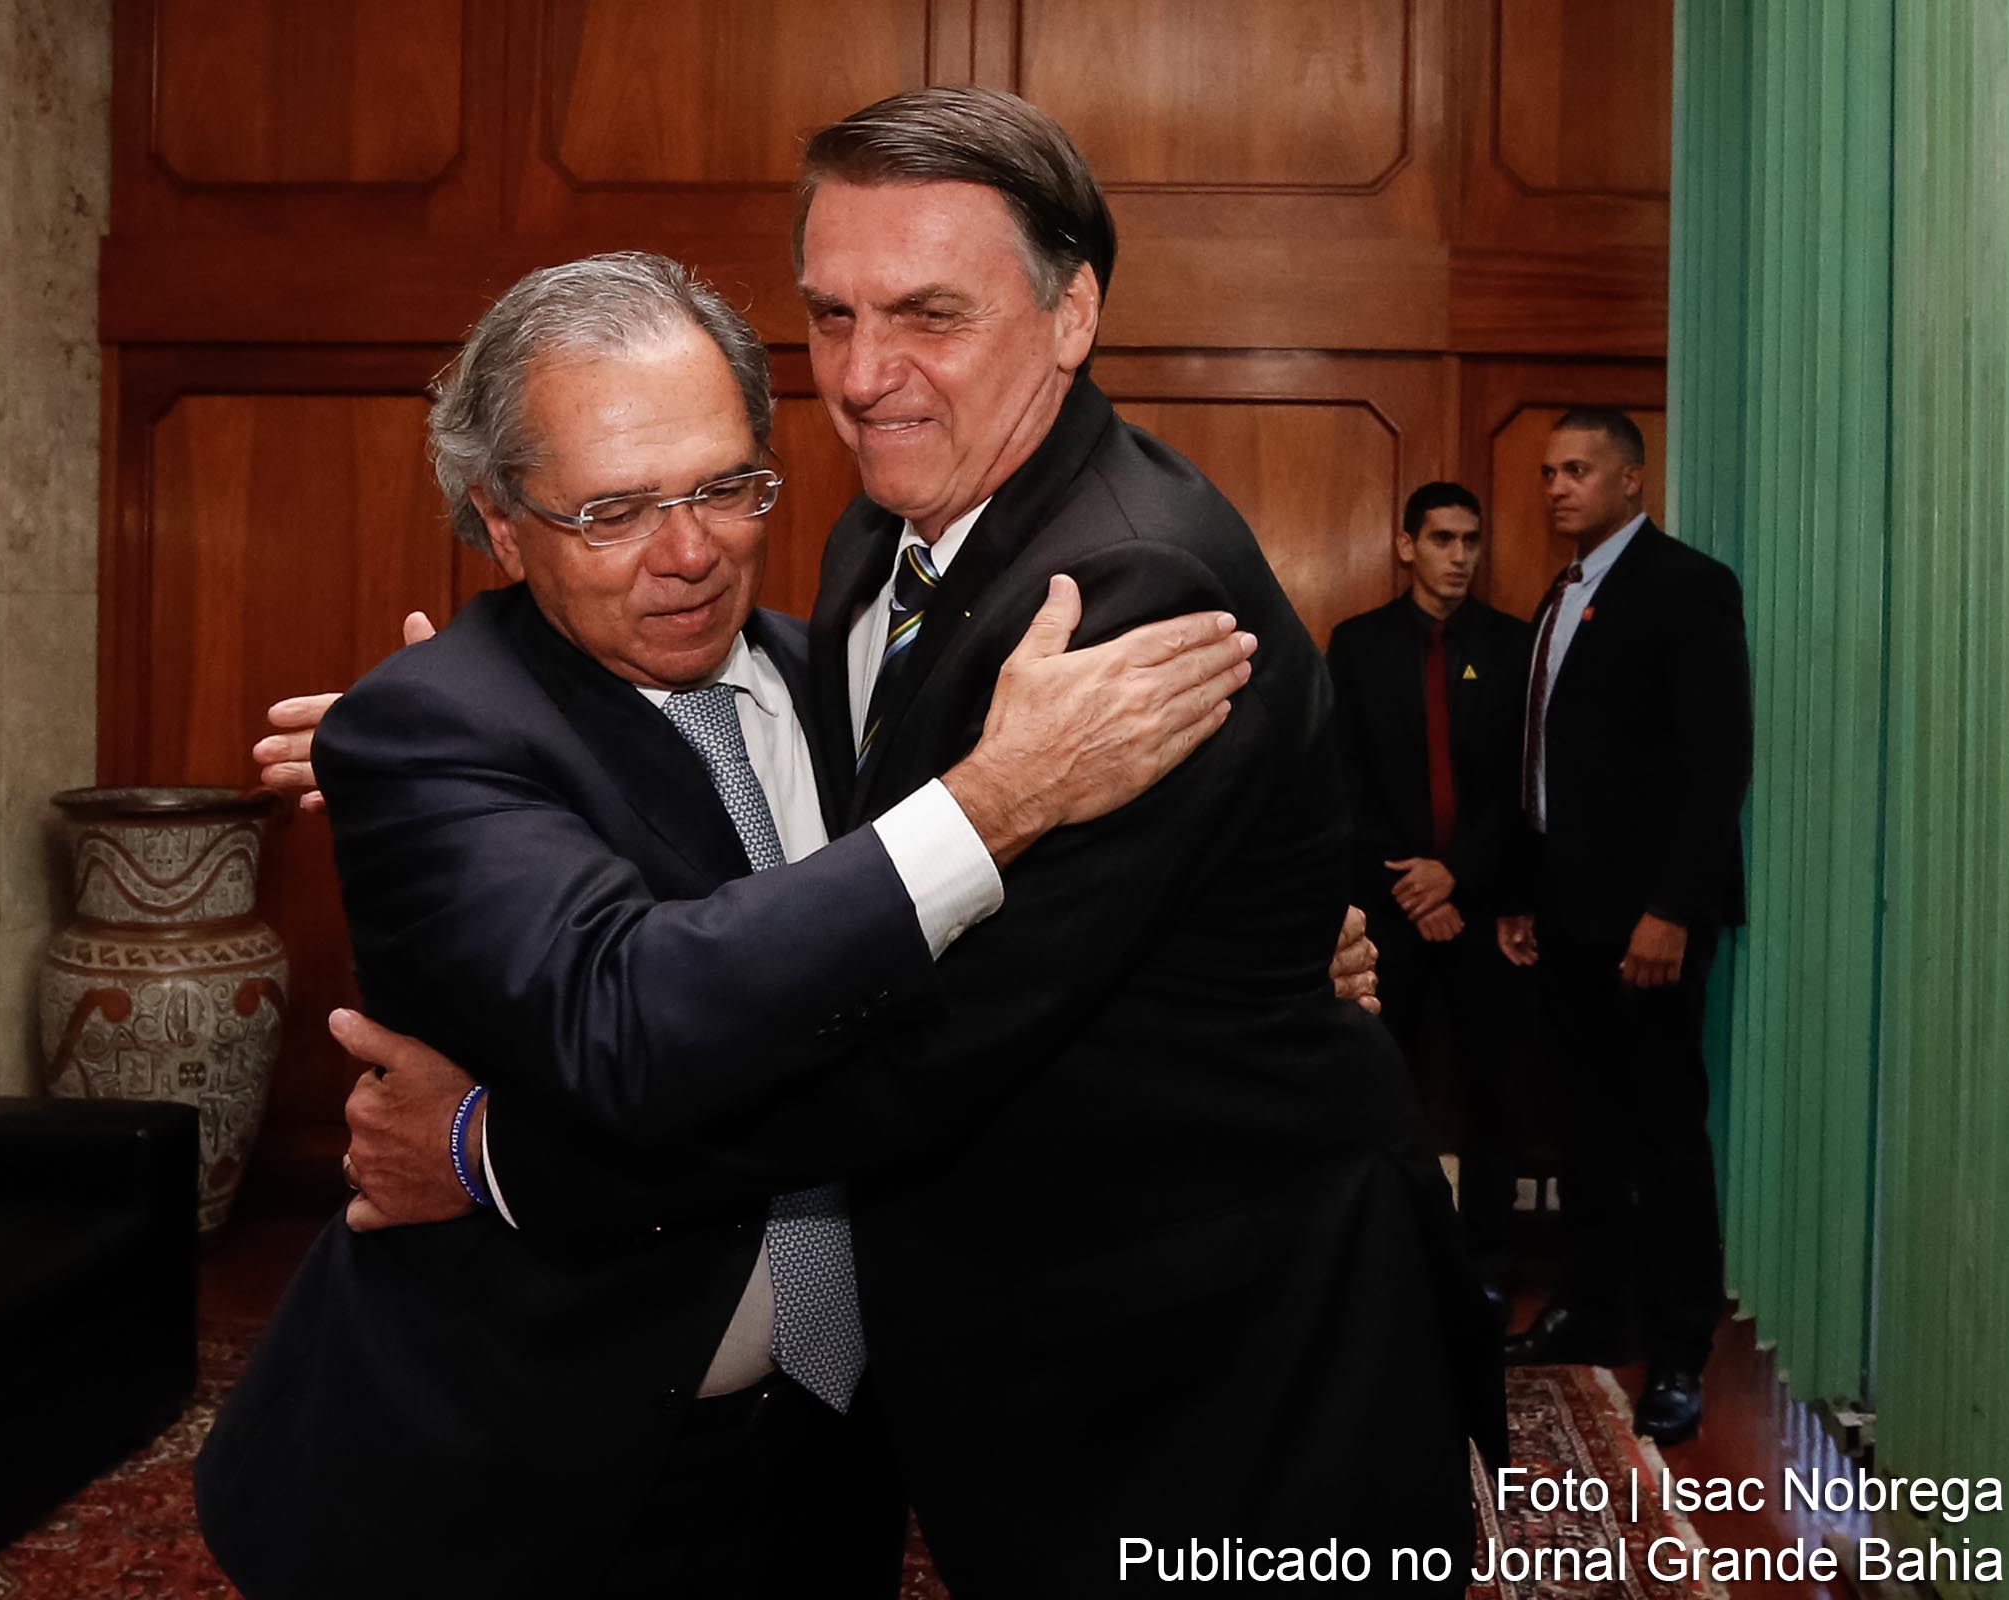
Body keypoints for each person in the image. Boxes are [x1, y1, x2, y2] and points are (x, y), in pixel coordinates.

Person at [254, 89, 1501, 1597]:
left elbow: (911, 1060)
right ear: (503, 527)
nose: (862, 375)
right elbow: (802, 795)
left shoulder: (1116, 603)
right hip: (900, 1383)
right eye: (832, 314)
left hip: (1202, 1357)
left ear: (1071, 310)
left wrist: (488, 1146)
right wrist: (474, 734)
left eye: (927, 314)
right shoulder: (875, 540)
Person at [194, 251, 1261, 1600]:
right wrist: (992, 802)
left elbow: (952, 1016)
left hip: (827, 1453)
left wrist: (1247, 950)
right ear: (501, 525)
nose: (690, 552)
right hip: (521, 1477)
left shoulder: (850, 689)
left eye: (723, 486)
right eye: (613, 512)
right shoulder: (427, 725)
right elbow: (632, 1021)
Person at [1495, 408, 1752, 1448]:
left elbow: (1714, 761)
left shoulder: (1688, 587)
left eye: (1580, 471)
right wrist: (1519, 891)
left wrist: (1671, 909)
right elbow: (1541, 762)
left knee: (1664, 1134)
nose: (1559, 487)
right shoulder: (1561, 594)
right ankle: (1593, 1305)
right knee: (1584, 1127)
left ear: (1632, 482)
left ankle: (1680, 1349)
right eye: (1550, 471)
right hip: (1563, 911)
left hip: (1647, 919)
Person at [1325, 482, 1534, 1309]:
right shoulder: (1358, 645)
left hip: (1487, 909)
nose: (1459, 557)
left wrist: (1456, 876)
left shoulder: (1513, 647)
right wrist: (1415, 884)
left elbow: (1523, 786)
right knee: (1380, 1084)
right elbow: (1343, 782)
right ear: (1406, 544)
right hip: (1390, 909)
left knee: (1498, 1092)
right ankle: (1390, 1252)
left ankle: (1483, 1263)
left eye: (1471, 541)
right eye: (1443, 539)